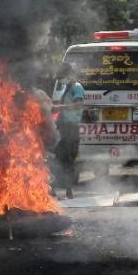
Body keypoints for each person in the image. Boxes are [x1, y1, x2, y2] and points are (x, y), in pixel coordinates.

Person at [51, 61, 85, 199]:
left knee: (68, 161)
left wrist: (60, 108)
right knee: (57, 159)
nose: (61, 80)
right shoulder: (66, 88)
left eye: (62, 76)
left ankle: (68, 192)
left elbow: (78, 104)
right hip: (64, 128)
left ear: (69, 75)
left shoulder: (77, 88)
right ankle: (53, 189)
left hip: (71, 129)